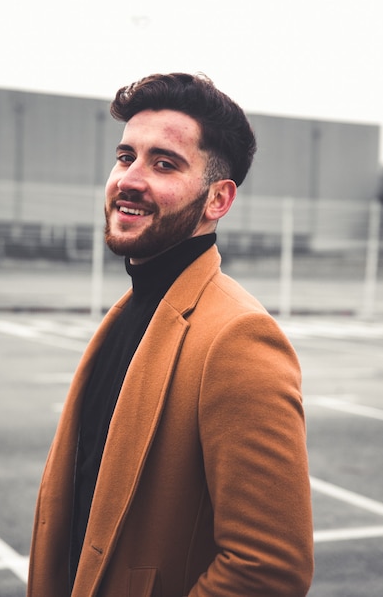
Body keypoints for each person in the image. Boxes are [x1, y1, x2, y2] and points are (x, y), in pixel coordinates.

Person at [27, 73, 314, 597]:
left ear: (217, 200)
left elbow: (269, 569)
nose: (129, 179)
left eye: (164, 163)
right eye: (125, 157)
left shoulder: (238, 337)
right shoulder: (132, 311)